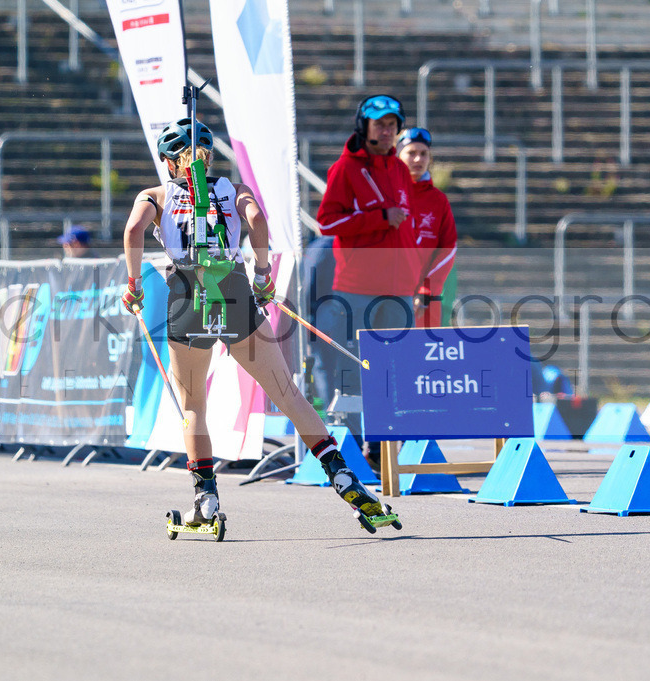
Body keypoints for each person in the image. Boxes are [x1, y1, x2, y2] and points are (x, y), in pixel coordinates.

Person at [120, 117, 390, 528]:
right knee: (287, 393)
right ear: (207, 158)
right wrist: (263, 274)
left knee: (193, 403)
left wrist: (134, 284)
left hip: (187, 294)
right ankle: (341, 473)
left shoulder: (155, 194)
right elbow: (258, 221)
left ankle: (205, 496)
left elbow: (134, 229)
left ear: (167, 161)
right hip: (233, 289)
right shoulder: (233, 188)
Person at [315, 94, 419, 399]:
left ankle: (389, 444)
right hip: (357, 289)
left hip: (399, 288)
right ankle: (355, 441)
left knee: (398, 368)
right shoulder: (345, 168)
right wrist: (378, 218)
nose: (386, 131)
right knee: (355, 370)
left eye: (391, 125)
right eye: (379, 124)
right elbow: (327, 223)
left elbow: (406, 233)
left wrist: (415, 280)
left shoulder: (400, 170)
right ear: (365, 127)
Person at [396, 127, 457, 328]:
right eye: (411, 153)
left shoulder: (438, 200)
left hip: (425, 301)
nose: (418, 159)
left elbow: (448, 250)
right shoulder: (386, 195)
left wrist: (426, 291)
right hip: (388, 296)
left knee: (426, 355)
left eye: (423, 154)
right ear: (397, 155)